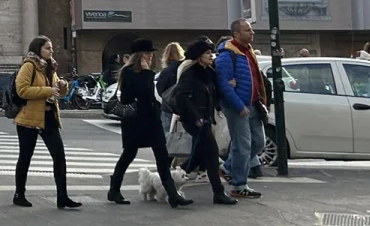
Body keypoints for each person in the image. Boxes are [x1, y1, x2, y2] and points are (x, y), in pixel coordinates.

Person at [108, 40, 190, 208]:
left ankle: (172, 195)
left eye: (151, 54)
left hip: (152, 120)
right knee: (128, 155)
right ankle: (114, 189)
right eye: (147, 54)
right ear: (138, 56)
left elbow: (151, 97)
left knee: (162, 155)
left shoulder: (148, 73)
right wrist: (145, 72)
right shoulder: (129, 73)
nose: (151, 57)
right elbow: (142, 93)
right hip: (135, 121)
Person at [12, 36, 82, 211]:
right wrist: (47, 90)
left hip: (49, 117)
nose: (51, 51)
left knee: (59, 157)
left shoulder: (50, 67)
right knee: (25, 158)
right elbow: (22, 90)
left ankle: (62, 197)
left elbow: (58, 91)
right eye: (48, 48)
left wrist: (62, 85)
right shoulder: (29, 66)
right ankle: (19, 194)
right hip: (29, 119)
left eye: (51, 48)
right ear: (38, 49)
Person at [170, 38, 237, 205]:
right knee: (212, 153)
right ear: (199, 56)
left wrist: (227, 87)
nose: (211, 56)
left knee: (201, 154)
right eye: (207, 53)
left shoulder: (209, 72)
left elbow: (213, 92)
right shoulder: (190, 73)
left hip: (206, 119)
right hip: (194, 120)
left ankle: (171, 181)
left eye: (211, 53)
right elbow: (183, 97)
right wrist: (196, 117)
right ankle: (218, 193)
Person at [215, 19, 265, 199]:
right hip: (238, 106)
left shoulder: (247, 52)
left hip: (252, 104)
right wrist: (238, 105)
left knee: (258, 142)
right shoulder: (227, 55)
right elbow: (223, 84)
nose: (252, 33)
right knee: (242, 146)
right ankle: (239, 184)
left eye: (251, 29)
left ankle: (228, 167)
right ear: (236, 34)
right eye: (247, 30)